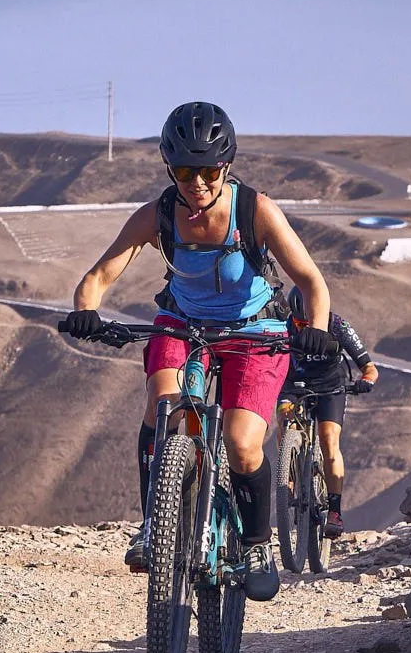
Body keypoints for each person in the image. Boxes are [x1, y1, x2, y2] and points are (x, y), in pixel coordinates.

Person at [59, 101, 332, 603]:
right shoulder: (159, 214)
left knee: (242, 442)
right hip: (184, 326)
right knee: (162, 404)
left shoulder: (256, 211)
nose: (197, 183)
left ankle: (254, 546)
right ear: (170, 168)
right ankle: (153, 526)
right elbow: (98, 276)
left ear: (225, 168)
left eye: (208, 171)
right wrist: (86, 310)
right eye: (186, 171)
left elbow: (311, 280)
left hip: (256, 333)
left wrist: (315, 328)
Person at [281, 286, 378, 538]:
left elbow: (369, 367)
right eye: (298, 322)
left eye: (308, 322)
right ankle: (289, 474)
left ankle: (334, 511)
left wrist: (366, 380)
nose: (303, 328)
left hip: (330, 387)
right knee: (284, 416)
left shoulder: (338, 326)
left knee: (329, 441)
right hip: (294, 385)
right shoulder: (283, 325)